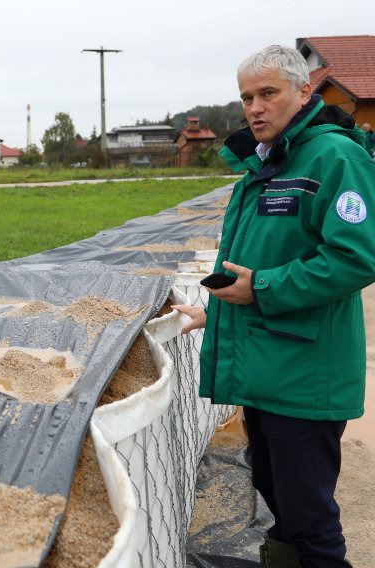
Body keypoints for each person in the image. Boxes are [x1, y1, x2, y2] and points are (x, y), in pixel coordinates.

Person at [174, 45, 375, 567]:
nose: (255, 107)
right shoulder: (264, 163)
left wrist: (260, 289)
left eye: (268, 93)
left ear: (304, 91)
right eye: (247, 97)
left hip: (304, 373)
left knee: (308, 516)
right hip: (267, 367)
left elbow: (356, 258)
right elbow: (259, 259)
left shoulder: (335, 157)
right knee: (271, 488)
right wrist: (217, 310)